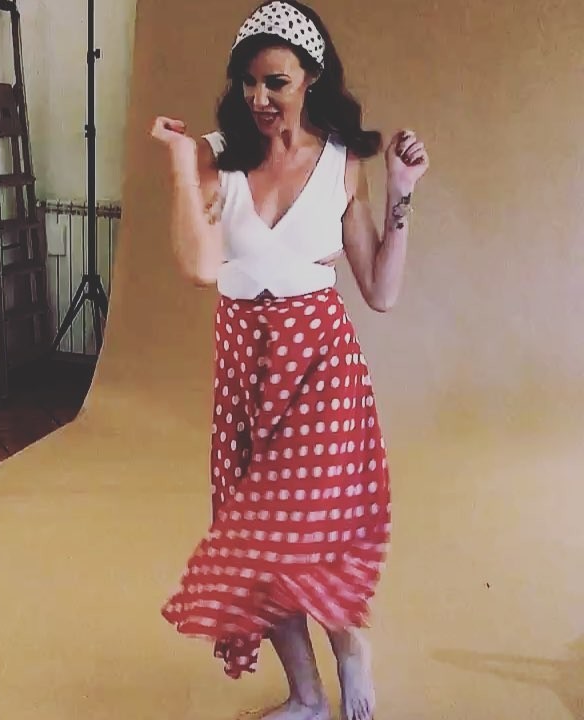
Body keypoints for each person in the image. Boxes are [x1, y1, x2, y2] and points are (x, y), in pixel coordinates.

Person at [151, 2, 429, 719]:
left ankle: (349, 649)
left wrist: (400, 194)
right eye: (248, 81)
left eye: (275, 81)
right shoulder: (216, 155)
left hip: (322, 369)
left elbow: (381, 291)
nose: (258, 97)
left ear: (312, 79)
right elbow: (201, 267)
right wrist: (181, 166)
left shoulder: (341, 163)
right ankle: (307, 695)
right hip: (245, 371)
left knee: (309, 532)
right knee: (254, 548)